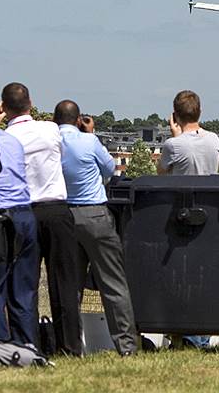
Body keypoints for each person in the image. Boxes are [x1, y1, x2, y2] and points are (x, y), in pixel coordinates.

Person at [1, 82, 81, 356]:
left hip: (25, 210)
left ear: (4, 108)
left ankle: (30, 342)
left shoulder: (8, 138)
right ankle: (69, 344)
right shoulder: (51, 129)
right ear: (30, 103)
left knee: (26, 284)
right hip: (57, 209)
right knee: (65, 282)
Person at [54, 101, 138, 356]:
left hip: (64, 215)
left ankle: (70, 347)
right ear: (78, 119)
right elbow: (110, 169)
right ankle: (126, 345)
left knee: (69, 286)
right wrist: (90, 134)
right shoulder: (89, 142)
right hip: (95, 213)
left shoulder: (50, 142)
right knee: (113, 283)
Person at [0, 110, 39, 350]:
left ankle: (1, 344)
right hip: (23, 211)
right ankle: (26, 344)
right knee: (23, 288)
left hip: (1, 214)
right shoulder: (12, 140)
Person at [158, 90, 219, 176]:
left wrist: (176, 138)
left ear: (175, 116)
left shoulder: (172, 145)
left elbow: (160, 174)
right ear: (199, 112)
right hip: (209, 189)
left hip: (180, 189)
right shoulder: (214, 139)